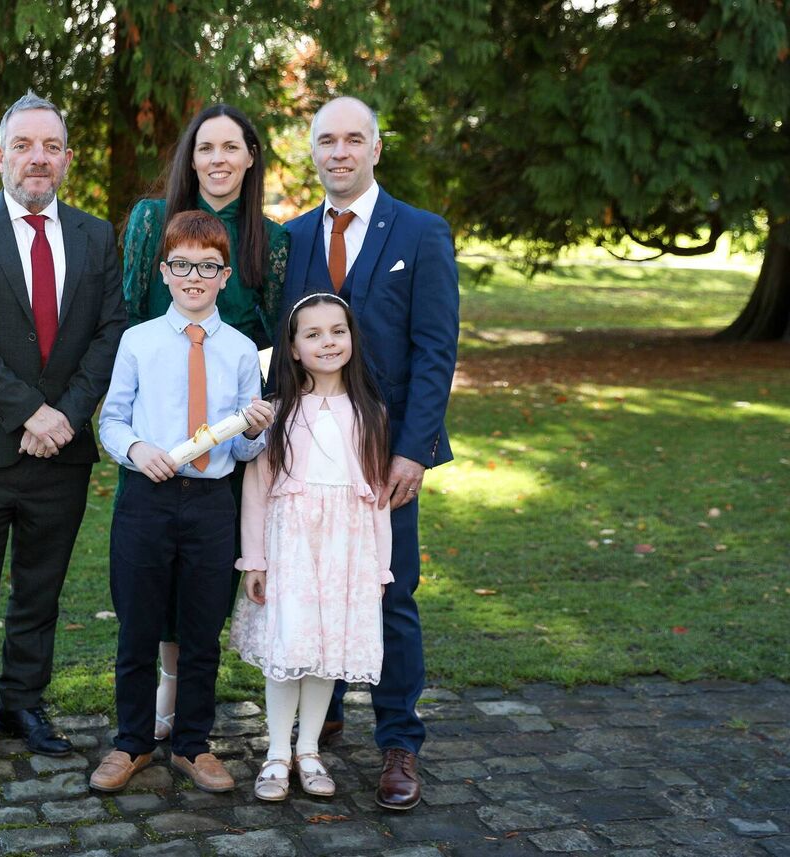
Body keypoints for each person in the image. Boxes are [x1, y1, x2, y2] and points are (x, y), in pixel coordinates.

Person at [0, 91, 127, 768]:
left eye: (50, 146)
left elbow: (110, 332)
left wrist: (66, 415)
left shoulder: (95, 235)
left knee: (40, 591)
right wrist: (28, 412)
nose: (37, 158)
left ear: (67, 158)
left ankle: (24, 702)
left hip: (61, 454)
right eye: (23, 145)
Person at [281, 96, 460, 810]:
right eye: (327, 140)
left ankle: (399, 741)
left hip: (387, 453)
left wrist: (413, 450)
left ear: (376, 149)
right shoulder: (293, 238)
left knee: (390, 591)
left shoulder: (421, 232)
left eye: (353, 139)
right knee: (312, 582)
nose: (340, 152)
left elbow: (435, 348)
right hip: (308, 451)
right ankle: (319, 716)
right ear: (313, 151)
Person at [90, 211, 275, 794]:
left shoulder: (242, 351)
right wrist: (136, 449)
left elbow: (245, 447)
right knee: (137, 627)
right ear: (164, 272)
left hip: (211, 505)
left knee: (201, 630)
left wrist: (254, 430)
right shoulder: (138, 341)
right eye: (182, 265)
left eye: (208, 267)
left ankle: (193, 745)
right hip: (146, 499)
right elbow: (112, 420)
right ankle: (132, 741)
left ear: (225, 277)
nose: (194, 277)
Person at [121, 103, 288, 742]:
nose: (218, 159)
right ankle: (159, 693)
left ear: (250, 158)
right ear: (190, 159)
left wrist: (252, 417)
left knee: (205, 579)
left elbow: (273, 333)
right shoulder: (151, 221)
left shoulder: (271, 242)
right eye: (205, 148)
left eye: (231, 147)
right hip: (155, 436)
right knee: (150, 578)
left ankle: (189, 711)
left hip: (223, 432)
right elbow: (129, 311)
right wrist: (136, 433)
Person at [230, 292, 393, 802]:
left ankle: (308, 750)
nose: (328, 342)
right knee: (291, 644)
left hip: (348, 548)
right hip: (291, 547)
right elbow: (257, 489)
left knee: (325, 652)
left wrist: (381, 568)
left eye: (338, 331)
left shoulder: (371, 412)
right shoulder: (277, 413)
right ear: (294, 348)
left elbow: (378, 498)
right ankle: (277, 752)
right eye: (313, 334)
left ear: (352, 339)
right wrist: (254, 560)